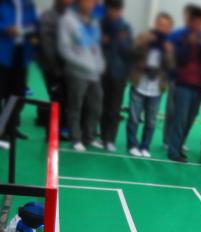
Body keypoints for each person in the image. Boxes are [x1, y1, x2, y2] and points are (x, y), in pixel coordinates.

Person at [166, 5, 201, 163]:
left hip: (199, 86)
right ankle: (173, 151)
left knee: (190, 119)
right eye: (196, 22)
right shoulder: (179, 36)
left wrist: (200, 45)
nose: (198, 26)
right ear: (190, 21)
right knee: (180, 118)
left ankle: (179, 146)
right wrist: (188, 44)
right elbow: (178, 59)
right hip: (182, 84)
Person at [58, 0, 106, 152]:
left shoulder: (94, 21)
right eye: (88, 1)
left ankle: (89, 137)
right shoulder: (68, 20)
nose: (92, 4)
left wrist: (100, 64)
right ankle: (75, 139)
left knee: (96, 106)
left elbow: (96, 47)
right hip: (76, 72)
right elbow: (64, 49)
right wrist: (83, 64)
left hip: (94, 73)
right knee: (75, 106)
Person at [126, 12, 175, 158]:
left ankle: (145, 146)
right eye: (160, 24)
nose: (162, 28)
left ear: (169, 28)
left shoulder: (170, 45)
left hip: (156, 88)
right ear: (155, 24)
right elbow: (132, 53)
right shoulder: (144, 37)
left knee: (151, 121)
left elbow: (172, 66)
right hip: (139, 83)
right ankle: (132, 145)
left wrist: (168, 52)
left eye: (165, 26)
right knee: (134, 117)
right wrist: (145, 43)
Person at [0, 0, 38, 139]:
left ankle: (10, 127)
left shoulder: (28, 4)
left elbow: (34, 24)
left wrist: (32, 30)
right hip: (2, 53)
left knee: (17, 93)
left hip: (21, 54)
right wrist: (5, 28)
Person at [162, 3, 197, 148]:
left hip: (191, 82)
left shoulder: (200, 38)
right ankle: (167, 139)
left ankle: (180, 140)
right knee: (172, 110)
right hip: (176, 78)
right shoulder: (176, 35)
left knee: (186, 113)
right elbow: (168, 54)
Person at [99, 0, 132, 152]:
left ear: (120, 11)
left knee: (114, 108)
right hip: (101, 72)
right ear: (107, 9)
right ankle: (101, 136)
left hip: (119, 74)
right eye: (111, 9)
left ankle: (110, 139)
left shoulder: (125, 27)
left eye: (117, 10)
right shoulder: (100, 24)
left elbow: (129, 52)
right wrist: (102, 41)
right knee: (101, 106)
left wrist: (121, 40)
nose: (114, 13)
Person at [37, 0, 73, 137]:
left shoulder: (72, 16)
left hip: (69, 69)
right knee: (57, 100)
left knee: (67, 100)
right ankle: (52, 133)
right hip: (53, 69)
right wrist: (55, 68)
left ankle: (64, 128)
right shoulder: (48, 17)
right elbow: (47, 47)